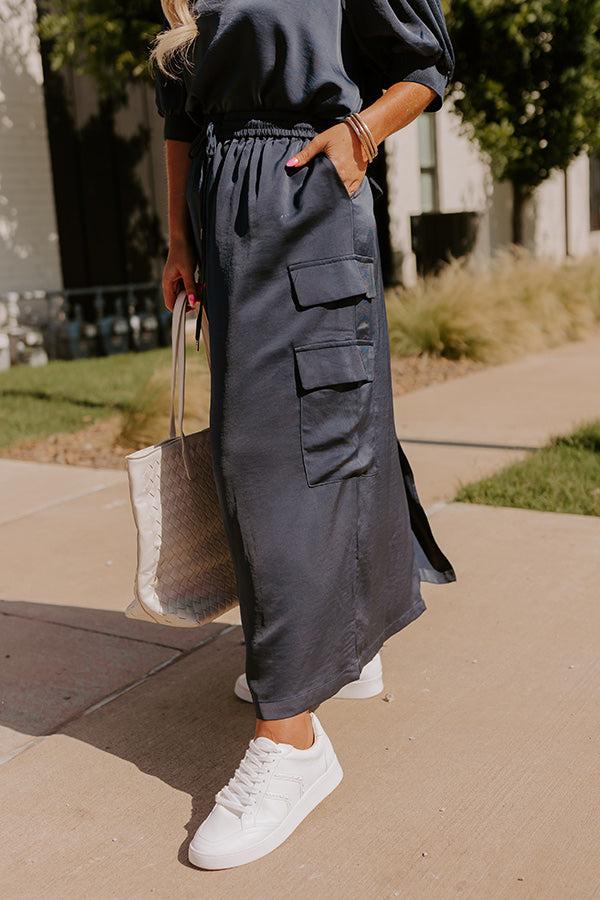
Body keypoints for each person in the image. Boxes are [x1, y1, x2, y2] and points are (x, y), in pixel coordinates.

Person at [152, 0, 455, 870]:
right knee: (283, 446)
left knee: (291, 456)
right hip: (224, 221)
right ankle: (342, 649)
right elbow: (181, 108)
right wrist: (178, 236)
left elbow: (427, 64)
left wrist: (362, 132)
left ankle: (291, 741)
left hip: (304, 198)